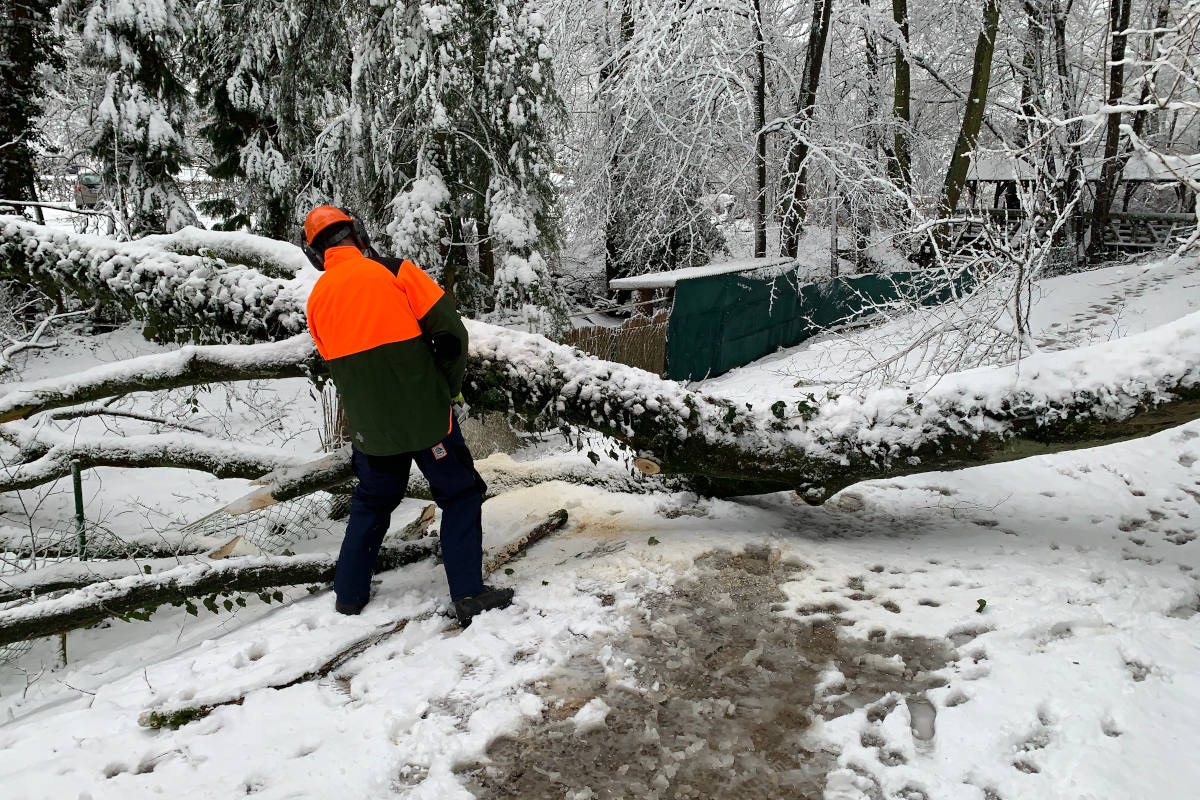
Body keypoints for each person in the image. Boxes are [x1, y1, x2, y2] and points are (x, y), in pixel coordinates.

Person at [301, 205, 514, 627]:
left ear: (315, 254)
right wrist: (447, 389)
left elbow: (335, 362)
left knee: (373, 500)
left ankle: (349, 596)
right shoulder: (395, 271)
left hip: (370, 428)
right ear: (359, 235)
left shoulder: (316, 300)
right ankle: (468, 594)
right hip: (426, 418)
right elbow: (452, 335)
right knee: (460, 494)